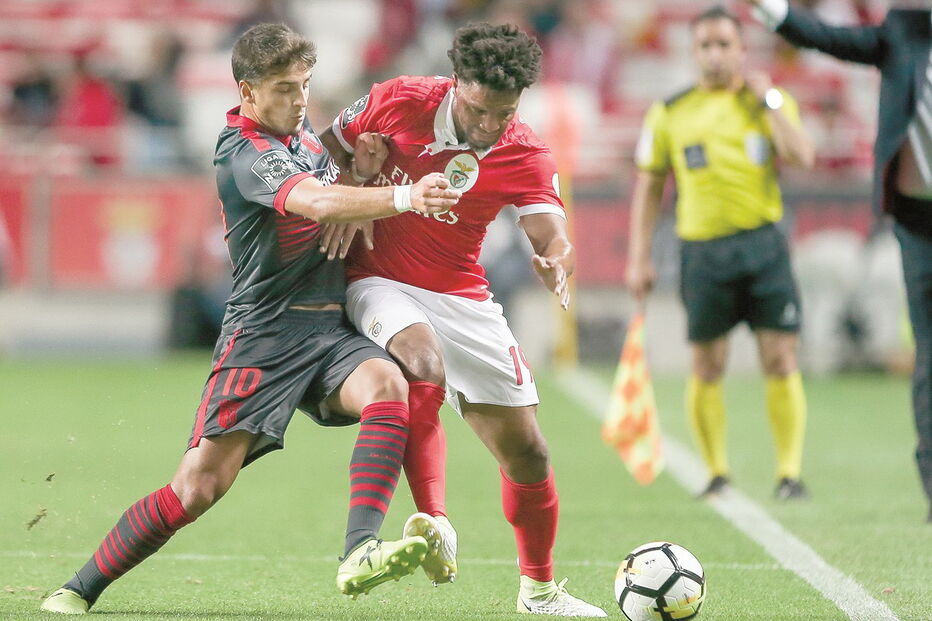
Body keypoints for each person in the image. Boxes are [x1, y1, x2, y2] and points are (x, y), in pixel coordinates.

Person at [39, 23, 462, 615]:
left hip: (327, 333)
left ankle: (360, 549)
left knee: (389, 386)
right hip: (261, 340)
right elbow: (314, 202)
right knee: (198, 488)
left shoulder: (305, 141)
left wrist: (362, 177)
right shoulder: (242, 151)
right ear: (247, 92)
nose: (299, 101)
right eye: (285, 89)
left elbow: (330, 203)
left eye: (305, 86)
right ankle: (79, 588)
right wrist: (404, 195)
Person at [320, 22, 607, 617]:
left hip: (462, 294)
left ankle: (540, 593)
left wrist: (557, 258)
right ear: (457, 84)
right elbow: (325, 144)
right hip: (377, 278)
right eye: (479, 111)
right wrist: (352, 176)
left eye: (504, 113)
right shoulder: (399, 98)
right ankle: (434, 521)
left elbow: (551, 230)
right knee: (420, 358)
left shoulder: (523, 147)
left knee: (529, 454)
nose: (490, 126)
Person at [744, 0, 932, 523]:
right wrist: (776, 13)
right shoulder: (904, 33)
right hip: (920, 223)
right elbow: (826, 37)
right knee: (929, 360)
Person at [625, 6, 816, 501]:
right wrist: (638, 256)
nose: (715, 54)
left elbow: (803, 155)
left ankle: (789, 473)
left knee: (780, 355)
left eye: (724, 45)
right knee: (708, 363)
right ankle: (716, 472)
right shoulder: (670, 110)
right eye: (705, 46)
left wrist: (769, 100)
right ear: (693, 53)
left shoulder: (767, 102)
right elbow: (649, 186)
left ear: (741, 49)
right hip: (702, 251)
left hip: (763, 244)